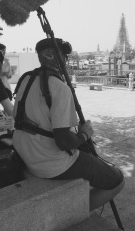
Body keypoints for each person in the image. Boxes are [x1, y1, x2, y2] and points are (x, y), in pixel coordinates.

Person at [12, 38, 124, 211]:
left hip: (26, 153)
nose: (66, 61)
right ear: (59, 57)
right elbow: (63, 142)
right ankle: (72, 212)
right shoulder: (59, 87)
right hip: (48, 162)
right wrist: (85, 134)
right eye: (65, 57)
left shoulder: (25, 79)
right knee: (117, 180)